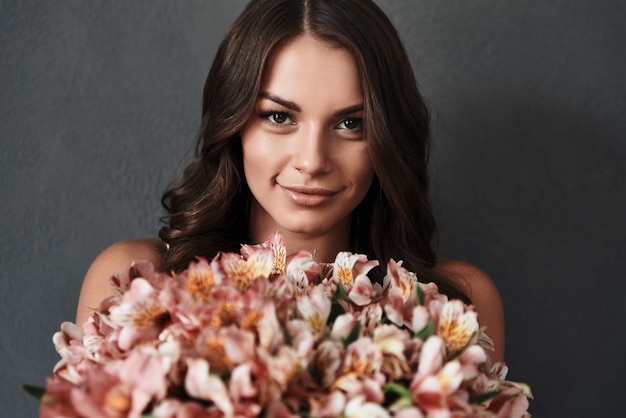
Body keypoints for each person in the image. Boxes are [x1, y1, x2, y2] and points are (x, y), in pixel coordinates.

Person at [76, 0, 504, 362]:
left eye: (351, 123)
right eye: (279, 117)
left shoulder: (456, 305)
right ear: (235, 124)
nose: (312, 160)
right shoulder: (134, 282)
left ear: (388, 137)